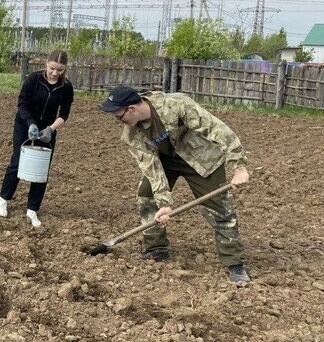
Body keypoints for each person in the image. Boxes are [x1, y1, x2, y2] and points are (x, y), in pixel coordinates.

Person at [98, 85, 251, 284]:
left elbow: (217, 129)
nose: (119, 122)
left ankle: (234, 263)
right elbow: (152, 170)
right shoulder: (131, 135)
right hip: (165, 162)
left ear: (132, 109)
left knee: (218, 207)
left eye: (120, 117)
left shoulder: (175, 105)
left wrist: (239, 166)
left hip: (201, 158)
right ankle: (156, 249)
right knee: (147, 195)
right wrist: (164, 203)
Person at [0, 50, 74, 227]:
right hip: (25, 125)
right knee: (17, 161)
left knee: (41, 168)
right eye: (52, 68)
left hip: (47, 130)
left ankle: (32, 209)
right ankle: (3, 199)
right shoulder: (33, 79)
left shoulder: (66, 87)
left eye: (60, 70)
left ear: (65, 69)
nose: (55, 73)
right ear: (46, 63)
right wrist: (30, 123)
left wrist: (51, 129)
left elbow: (65, 113)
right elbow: (22, 104)